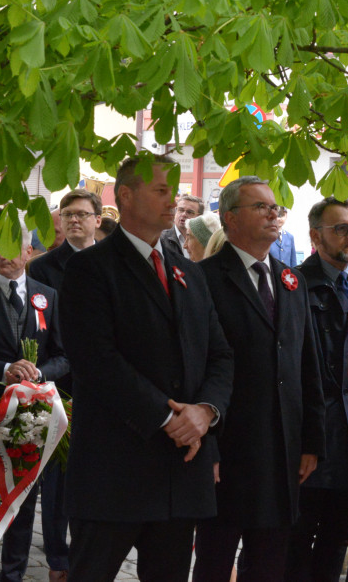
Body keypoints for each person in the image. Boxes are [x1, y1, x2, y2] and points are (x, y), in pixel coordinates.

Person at [59, 155, 233, 581]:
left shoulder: (187, 272)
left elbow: (221, 356)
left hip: (181, 470)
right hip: (114, 469)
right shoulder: (90, 269)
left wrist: (205, 412)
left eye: (174, 192)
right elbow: (95, 360)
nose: (172, 201)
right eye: (160, 191)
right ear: (125, 195)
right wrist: (167, 416)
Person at [194, 176, 325, 582]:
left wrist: (311, 440)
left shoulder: (291, 279)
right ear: (230, 218)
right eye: (261, 207)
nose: (274, 213)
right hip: (229, 442)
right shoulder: (204, 278)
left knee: (270, 560)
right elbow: (197, 367)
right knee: (216, 557)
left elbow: (307, 363)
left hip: (282, 447)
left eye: (276, 207)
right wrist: (207, 446)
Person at [0, 226, 69, 582]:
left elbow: (65, 356)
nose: (3, 257)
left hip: (31, 416)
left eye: (11, 249)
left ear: (28, 253)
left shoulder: (47, 296)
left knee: (23, 498)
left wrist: (38, 373)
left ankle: (14, 573)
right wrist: (5, 369)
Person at [286, 198, 348, 582]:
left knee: (337, 536)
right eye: (341, 228)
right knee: (296, 537)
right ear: (315, 236)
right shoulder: (292, 283)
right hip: (310, 436)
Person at [27, 189, 101, 581]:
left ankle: (90, 550)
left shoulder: (112, 262)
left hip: (104, 384)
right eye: (68, 214)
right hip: (60, 383)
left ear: (97, 220)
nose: (75, 220)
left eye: (83, 214)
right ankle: (57, 557)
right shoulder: (42, 269)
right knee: (56, 479)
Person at [161, 193, 203, 257]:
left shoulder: (203, 240)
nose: (183, 214)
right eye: (180, 210)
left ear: (199, 217)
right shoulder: (162, 238)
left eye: (190, 212)